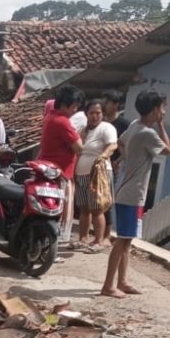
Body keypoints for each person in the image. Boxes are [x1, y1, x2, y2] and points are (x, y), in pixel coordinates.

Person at [101, 90, 170, 298]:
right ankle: (108, 285)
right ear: (154, 110)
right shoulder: (147, 133)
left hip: (127, 191)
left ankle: (121, 281)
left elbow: (121, 142)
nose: (163, 112)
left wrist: (127, 159)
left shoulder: (134, 126)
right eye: (161, 108)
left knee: (127, 240)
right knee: (122, 240)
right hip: (132, 195)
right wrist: (161, 125)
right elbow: (167, 149)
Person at [37, 85, 84, 247]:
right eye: (74, 106)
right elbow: (79, 148)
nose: (75, 110)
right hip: (59, 173)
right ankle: (50, 246)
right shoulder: (63, 122)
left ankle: (45, 245)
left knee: (49, 211)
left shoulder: (50, 116)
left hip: (49, 169)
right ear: (65, 104)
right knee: (57, 212)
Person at [74, 99, 118, 250]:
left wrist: (102, 156)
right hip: (81, 173)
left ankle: (98, 241)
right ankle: (83, 239)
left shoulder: (107, 127)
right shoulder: (83, 130)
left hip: (99, 174)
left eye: (98, 113)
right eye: (91, 113)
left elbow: (113, 145)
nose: (95, 116)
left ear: (102, 114)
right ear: (86, 114)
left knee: (97, 208)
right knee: (84, 208)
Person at [102, 89, 130, 242]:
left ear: (116, 105)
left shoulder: (124, 124)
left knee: (107, 200)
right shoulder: (101, 121)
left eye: (108, 102)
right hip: (97, 164)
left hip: (112, 166)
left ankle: (106, 234)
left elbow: (126, 147)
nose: (105, 105)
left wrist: (117, 162)